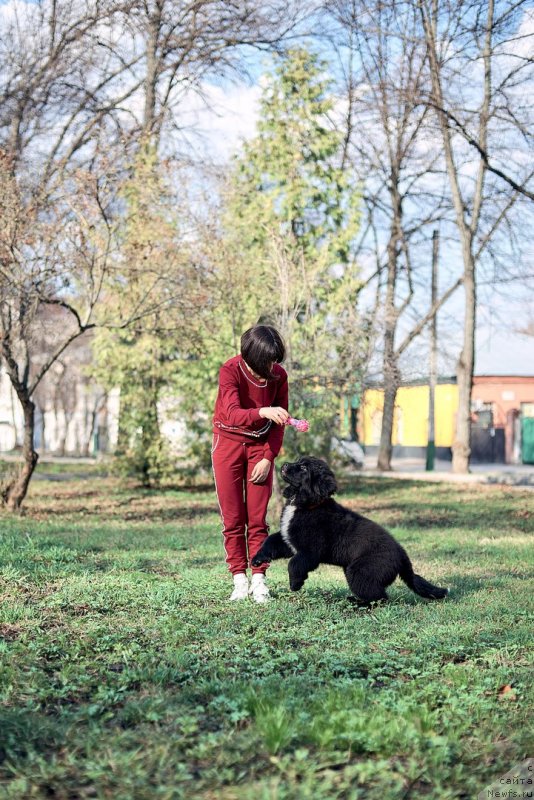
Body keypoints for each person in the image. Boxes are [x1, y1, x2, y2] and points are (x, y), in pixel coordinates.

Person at [211, 325, 289, 603]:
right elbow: (232, 414)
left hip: (260, 447)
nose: (271, 367)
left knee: (257, 519)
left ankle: (259, 579)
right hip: (228, 444)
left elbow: (279, 425)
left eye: (274, 361)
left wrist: (268, 457)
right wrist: (263, 411)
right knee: (233, 520)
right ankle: (239, 580)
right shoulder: (230, 370)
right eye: (266, 362)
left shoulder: (278, 376)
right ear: (250, 357)